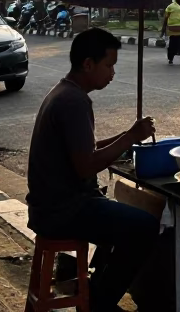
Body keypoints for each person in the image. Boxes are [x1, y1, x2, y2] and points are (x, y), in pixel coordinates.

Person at [26, 28, 159, 312]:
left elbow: (86, 148)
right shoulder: (73, 101)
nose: (112, 73)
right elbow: (85, 163)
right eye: (108, 65)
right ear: (88, 64)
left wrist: (127, 136)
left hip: (52, 205)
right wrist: (130, 137)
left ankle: (94, 292)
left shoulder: (64, 92)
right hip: (62, 211)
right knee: (144, 227)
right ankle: (99, 303)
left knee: (118, 217)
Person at [160, 0, 180, 65]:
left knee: (173, 45)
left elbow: (165, 19)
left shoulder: (170, 7)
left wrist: (163, 30)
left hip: (173, 31)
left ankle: (171, 58)